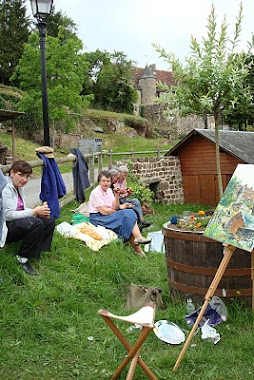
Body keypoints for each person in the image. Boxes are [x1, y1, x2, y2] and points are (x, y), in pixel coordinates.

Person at [2, 161, 55, 275]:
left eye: (27, 177)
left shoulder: (19, 188)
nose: (24, 180)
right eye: (21, 175)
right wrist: (34, 212)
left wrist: (37, 212)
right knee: (36, 224)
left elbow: (21, 208)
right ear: (12, 173)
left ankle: (37, 250)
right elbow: (8, 215)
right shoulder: (6, 189)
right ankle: (22, 258)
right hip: (6, 227)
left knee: (49, 220)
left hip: (16, 222)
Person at [88, 170, 151, 257]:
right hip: (98, 218)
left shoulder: (109, 191)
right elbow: (104, 211)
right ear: (99, 182)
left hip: (108, 214)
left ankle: (138, 242)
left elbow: (116, 206)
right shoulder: (96, 193)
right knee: (127, 215)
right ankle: (138, 244)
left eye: (108, 181)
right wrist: (117, 211)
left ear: (110, 182)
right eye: (103, 181)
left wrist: (117, 195)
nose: (105, 183)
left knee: (129, 216)